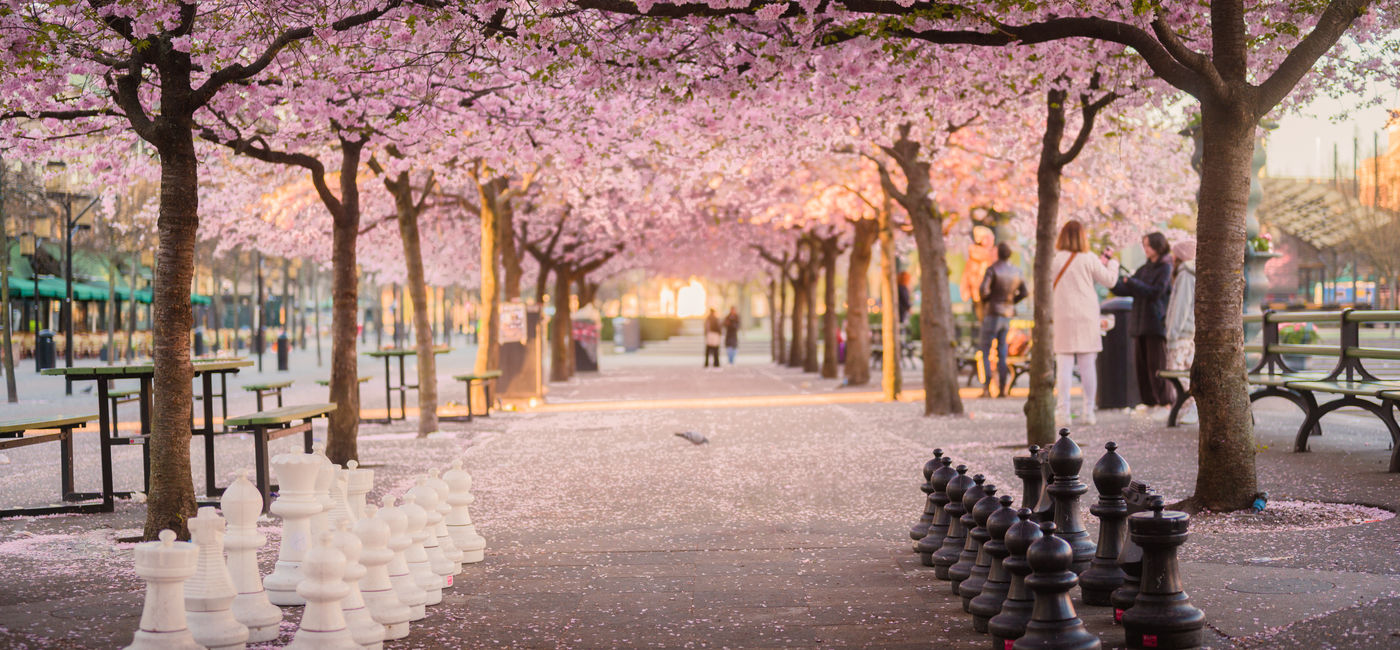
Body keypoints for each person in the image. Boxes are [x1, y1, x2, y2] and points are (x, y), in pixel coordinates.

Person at [1051, 220, 1120, 426]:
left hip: (1062, 314)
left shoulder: (1054, 259)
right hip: (1087, 315)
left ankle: (1063, 411)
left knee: (1063, 365)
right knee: (1087, 365)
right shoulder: (1089, 258)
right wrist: (1112, 263)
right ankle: (1088, 411)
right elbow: (1109, 281)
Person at [1112, 231, 1175, 410]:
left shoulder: (1165, 267)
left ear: (1157, 246)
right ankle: (1149, 402)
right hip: (1139, 323)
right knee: (1141, 366)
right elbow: (1127, 288)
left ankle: (1164, 402)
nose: (1145, 249)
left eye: (1148, 245)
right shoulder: (1145, 268)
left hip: (1155, 323)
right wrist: (1110, 277)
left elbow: (1155, 291)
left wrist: (1131, 282)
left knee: (1156, 366)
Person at [978, 242, 1028, 397]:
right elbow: (1024, 292)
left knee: (986, 351)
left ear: (998, 253)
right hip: (1007, 314)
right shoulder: (1016, 271)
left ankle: (986, 386)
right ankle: (1002, 389)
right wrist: (1011, 301)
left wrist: (988, 300)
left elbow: (983, 290)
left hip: (993, 313)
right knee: (1002, 352)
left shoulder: (992, 269)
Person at [1164, 239, 1197, 423]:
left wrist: (1172, 334)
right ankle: (1188, 408)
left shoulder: (1185, 274)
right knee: (1185, 371)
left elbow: (1181, 307)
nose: (1172, 257)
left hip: (1181, 333)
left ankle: (1192, 407)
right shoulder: (1189, 273)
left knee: (1177, 372)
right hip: (1188, 332)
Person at [962, 225, 997, 321]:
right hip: (980, 293)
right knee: (986, 322)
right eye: (989, 238)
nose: (992, 240)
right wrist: (965, 289)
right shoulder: (975, 257)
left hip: (993, 294)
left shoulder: (994, 254)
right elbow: (967, 274)